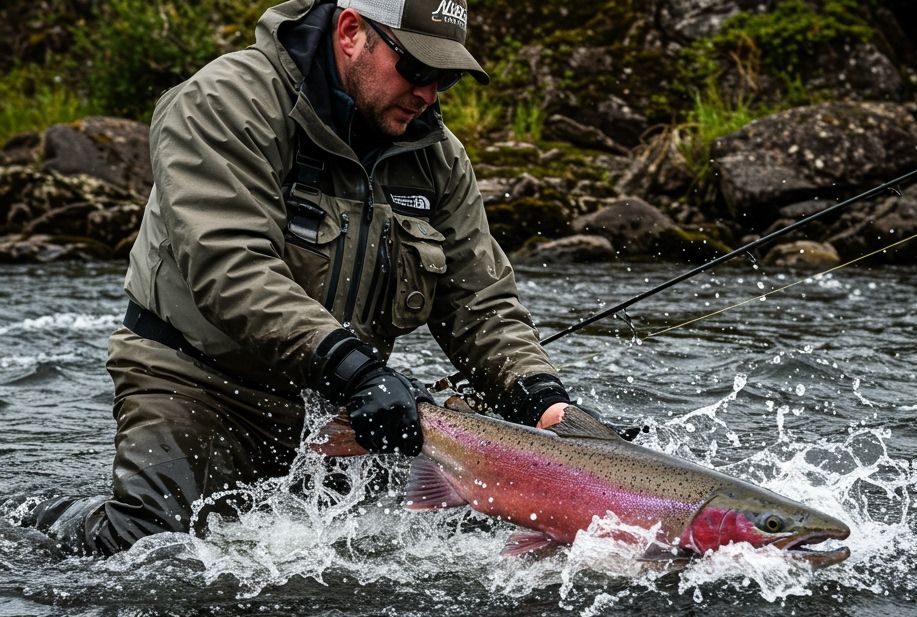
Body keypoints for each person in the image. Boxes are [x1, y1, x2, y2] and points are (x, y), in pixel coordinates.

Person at [24, 0, 572, 555]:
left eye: (446, 78)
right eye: (418, 68)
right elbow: (230, 267)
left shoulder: (437, 159)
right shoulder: (224, 103)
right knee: (149, 550)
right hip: (197, 381)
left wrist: (550, 409)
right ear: (352, 32)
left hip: (336, 404)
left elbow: (481, 303)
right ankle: (42, 518)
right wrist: (357, 372)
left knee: (428, 532)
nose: (429, 93)